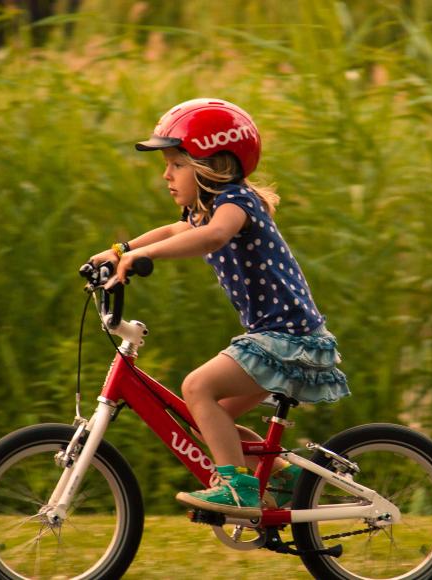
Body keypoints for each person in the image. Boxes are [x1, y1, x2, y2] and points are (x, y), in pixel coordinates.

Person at [89, 98, 350, 516]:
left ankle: (237, 490)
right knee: (208, 418)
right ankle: (284, 478)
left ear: (213, 163)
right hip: (275, 337)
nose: (166, 174)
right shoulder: (206, 210)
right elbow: (176, 228)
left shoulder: (236, 204)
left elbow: (213, 237)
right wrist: (120, 250)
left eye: (176, 164)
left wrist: (144, 258)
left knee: (197, 388)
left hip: (287, 337)